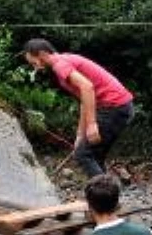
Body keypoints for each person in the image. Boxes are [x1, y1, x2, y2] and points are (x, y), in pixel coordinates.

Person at [21, 39, 135, 177]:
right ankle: (106, 189)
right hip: (121, 107)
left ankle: (103, 189)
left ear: (42, 54)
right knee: (95, 156)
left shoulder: (60, 65)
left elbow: (87, 87)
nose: (35, 68)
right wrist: (80, 134)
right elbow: (84, 99)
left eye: (34, 63)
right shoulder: (64, 60)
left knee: (83, 154)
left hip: (114, 107)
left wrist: (92, 124)